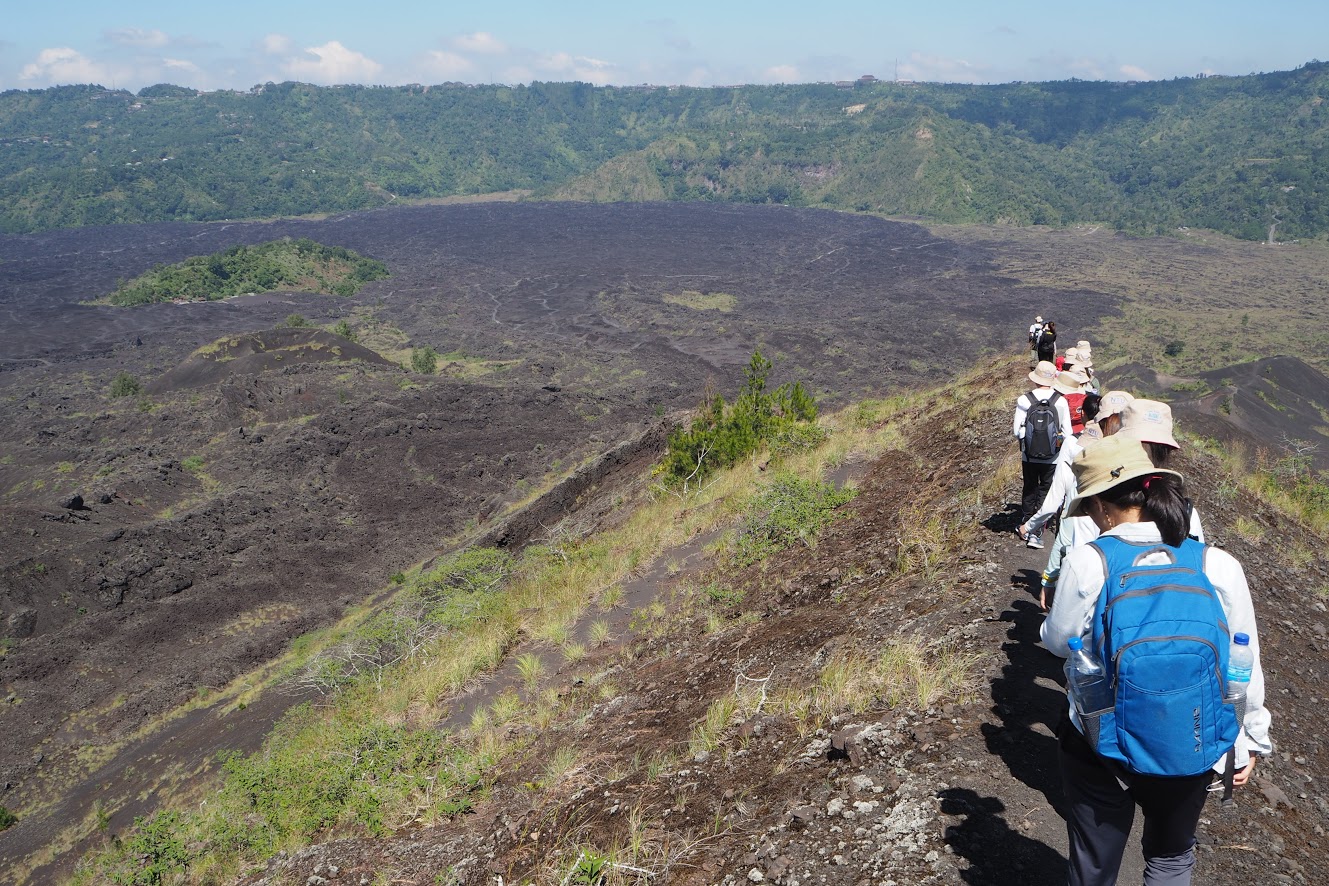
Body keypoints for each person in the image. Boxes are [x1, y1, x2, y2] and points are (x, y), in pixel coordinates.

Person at [1041, 435, 1271, 886]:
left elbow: (1057, 641)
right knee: (1170, 858)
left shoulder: (1091, 561)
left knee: (1094, 863)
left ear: (1104, 507)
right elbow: (1244, 661)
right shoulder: (1216, 563)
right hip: (1194, 737)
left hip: (1098, 740)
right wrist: (1248, 739)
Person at [1013, 361, 1073, 547]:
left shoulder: (1025, 400)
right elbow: (1068, 432)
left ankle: (1025, 522)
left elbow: (1017, 431)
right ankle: (1036, 532)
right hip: (1052, 457)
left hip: (1028, 455)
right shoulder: (1060, 401)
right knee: (1045, 491)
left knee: (1030, 487)